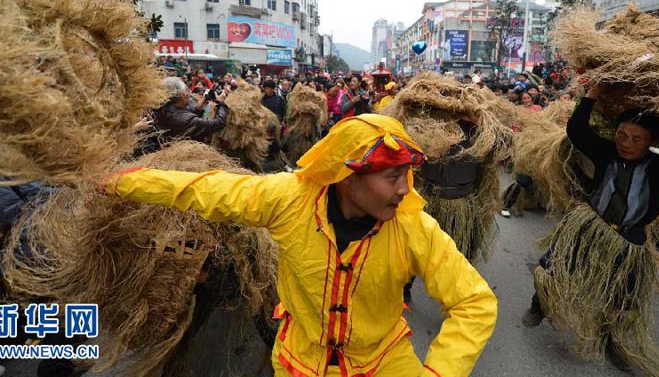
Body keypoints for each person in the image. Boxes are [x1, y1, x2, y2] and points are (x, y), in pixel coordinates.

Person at [105, 114, 497, 376]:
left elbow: (474, 303)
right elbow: (208, 190)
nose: (404, 189)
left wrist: (438, 372)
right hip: (299, 362)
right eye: (392, 176)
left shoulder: (414, 228)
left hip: (384, 363)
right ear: (346, 176)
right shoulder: (288, 200)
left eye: (406, 175)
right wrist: (125, 182)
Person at [523, 82, 659, 374]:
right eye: (621, 135)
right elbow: (576, 131)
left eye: (635, 138)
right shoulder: (605, 152)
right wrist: (592, 95)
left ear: (651, 142)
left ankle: (614, 341)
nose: (625, 142)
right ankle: (540, 304)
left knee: (625, 297)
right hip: (589, 227)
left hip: (629, 240)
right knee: (553, 266)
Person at [153, 77, 228, 144]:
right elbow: (218, 123)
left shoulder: (163, 108)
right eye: (187, 90)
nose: (189, 93)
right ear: (182, 95)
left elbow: (184, 116)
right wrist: (221, 103)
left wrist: (198, 108)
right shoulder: (183, 119)